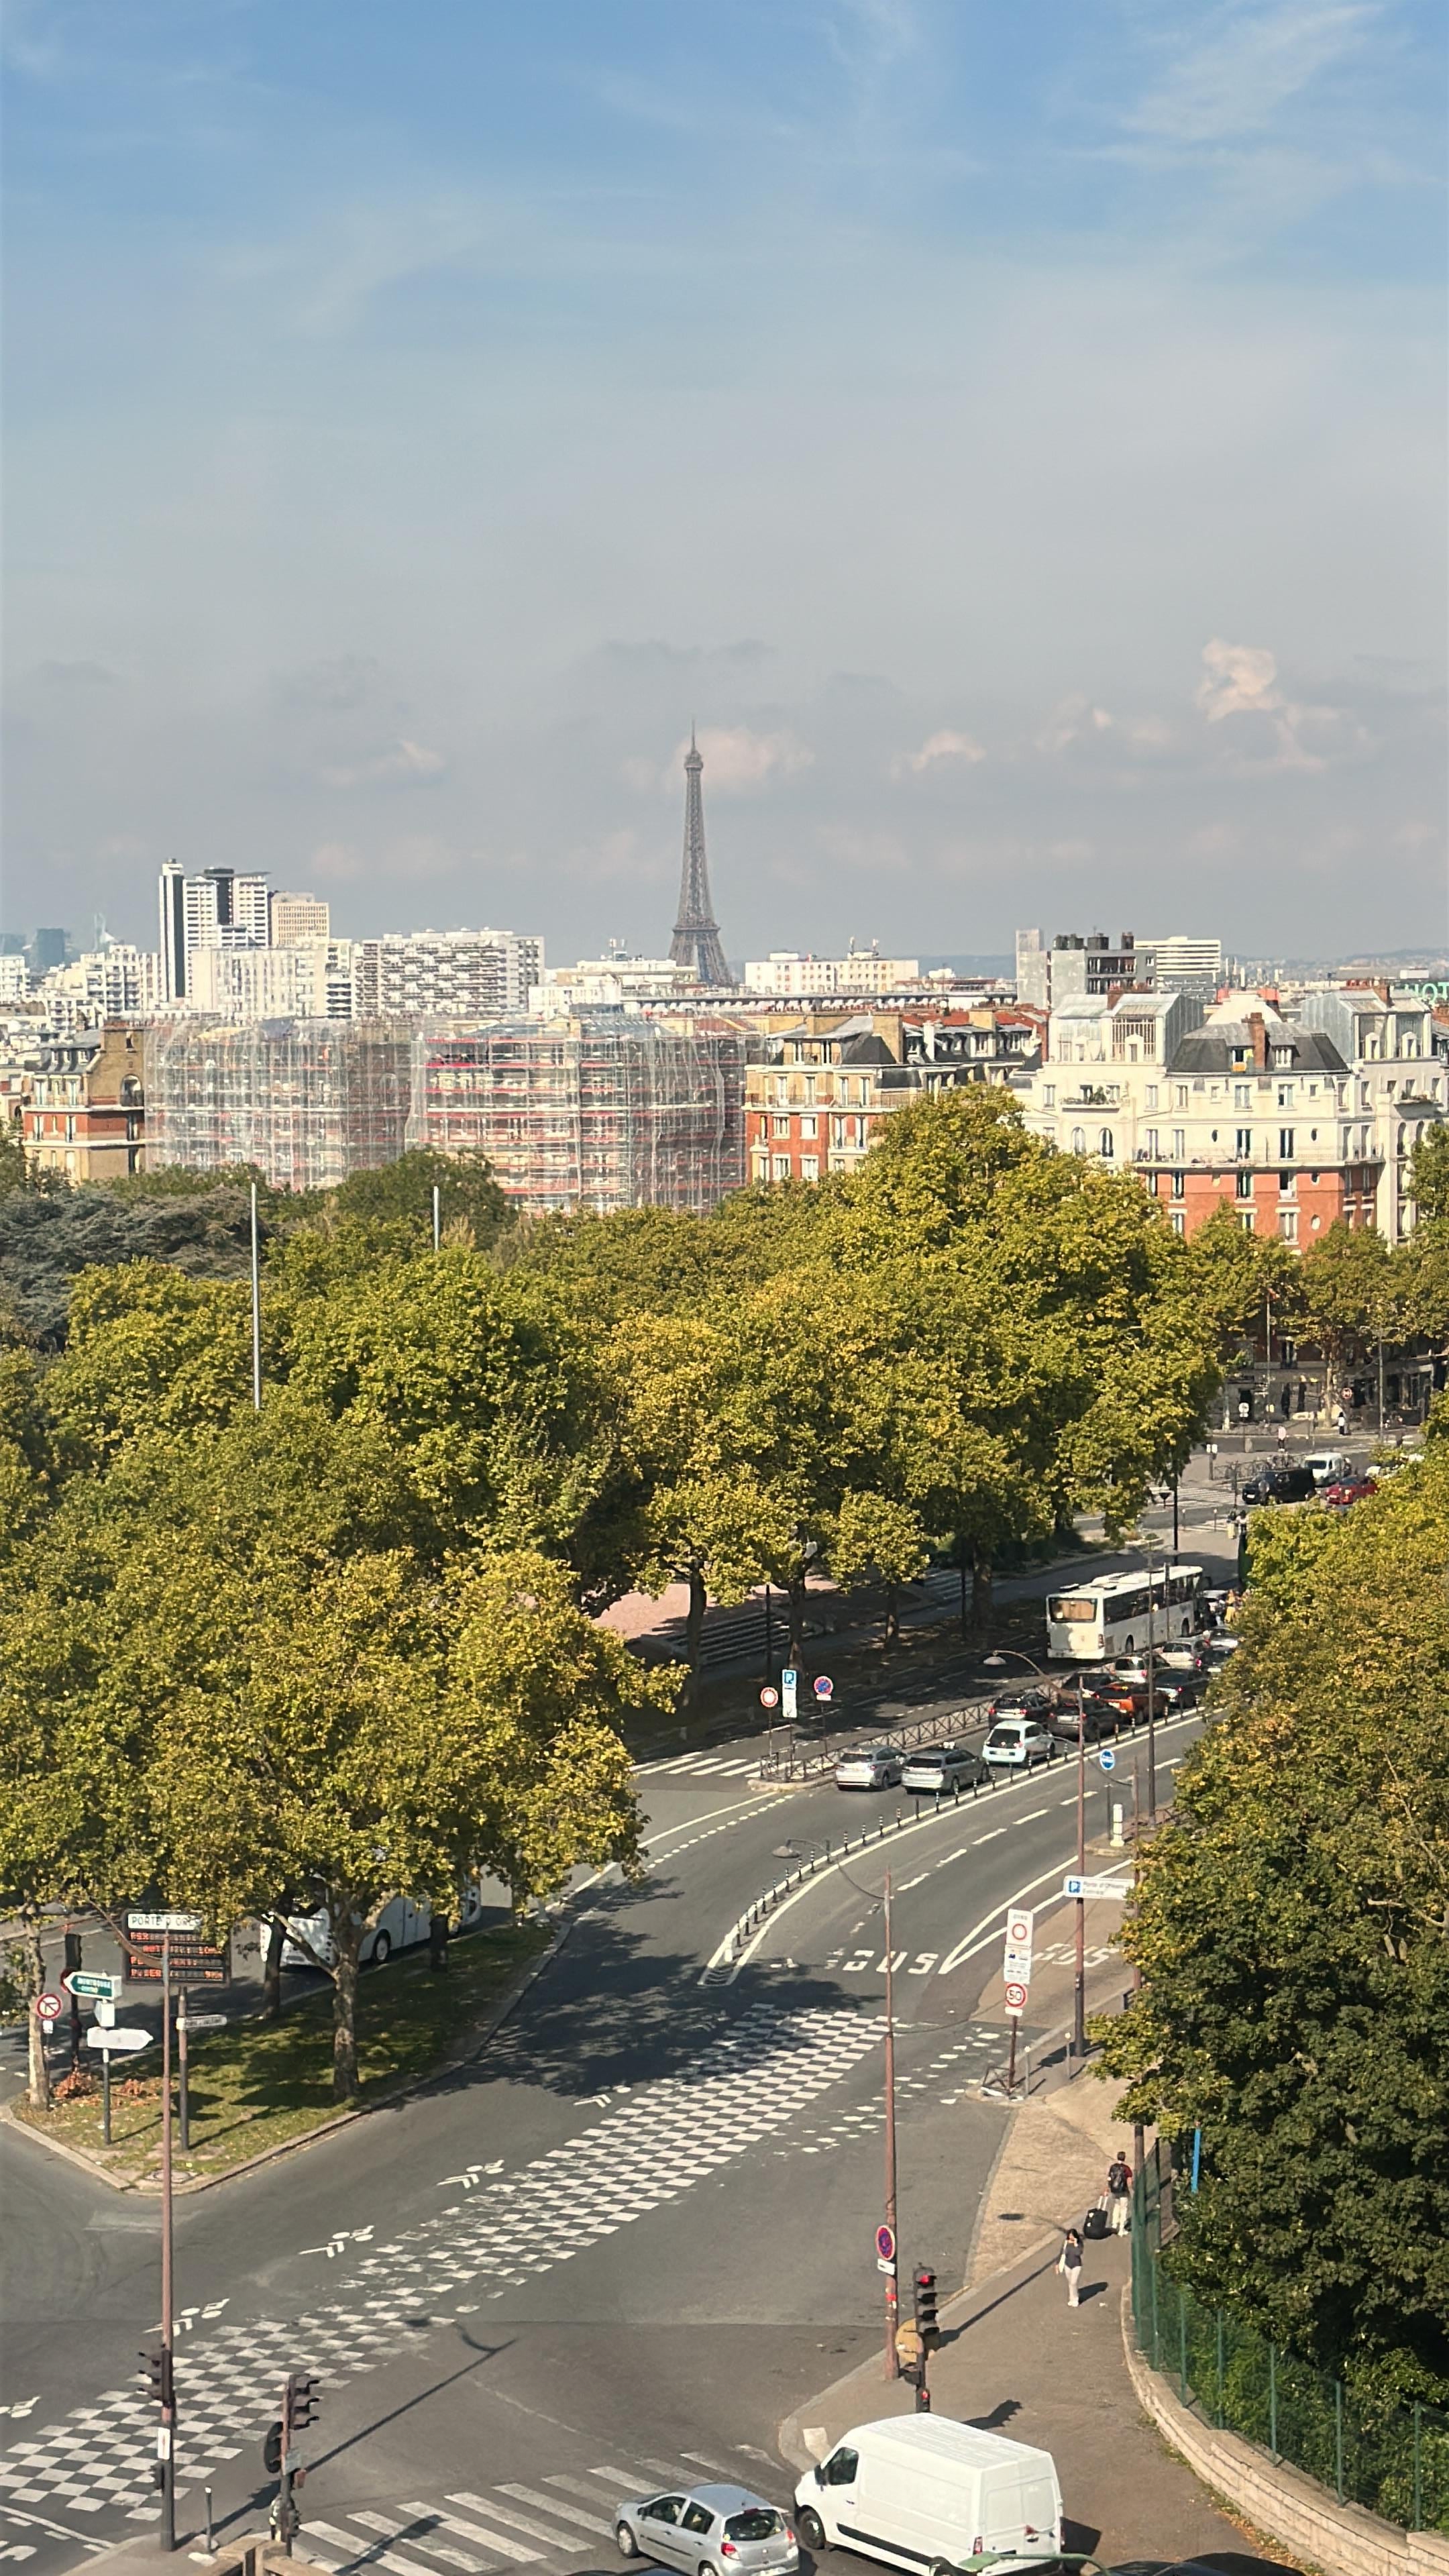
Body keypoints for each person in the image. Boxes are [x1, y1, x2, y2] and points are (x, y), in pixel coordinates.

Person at [1057, 2227, 1084, 2308]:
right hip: (1067, 2265)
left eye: (1073, 2236)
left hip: (1076, 2265)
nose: (1071, 2237)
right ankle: (1071, 2298)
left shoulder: (1079, 2244)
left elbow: (1078, 2253)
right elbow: (1062, 2253)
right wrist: (1057, 2263)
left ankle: (1075, 2299)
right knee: (1070, 2283)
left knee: (1073, 2283)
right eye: (1070, 2236)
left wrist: (1076, 2244)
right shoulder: (1066, 2243)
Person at [1106, 2153, 1132, 2234]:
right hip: (1123, 2191)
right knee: (1123, 2209)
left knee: (1117, 2206)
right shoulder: (1126, 2168)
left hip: (1115, 2190)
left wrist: (1109, 2187)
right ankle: (1122, 2229)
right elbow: (1130, 2180)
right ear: (1124, 2158)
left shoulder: (1113, 2167)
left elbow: (1109, 2178)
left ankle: (1114, 2225)